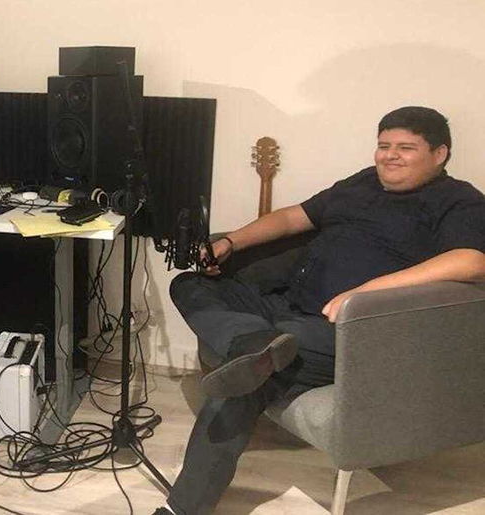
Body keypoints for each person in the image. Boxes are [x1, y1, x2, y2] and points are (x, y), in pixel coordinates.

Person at [153, 106, 485, 515]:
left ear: (440, 154)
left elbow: (472, 261)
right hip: (288, 306)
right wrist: (232, 242)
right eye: (383, 146)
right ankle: (249, 341)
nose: (389, 156)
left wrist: (364, 293)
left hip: (348, 330)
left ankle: (182, 508)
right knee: (190, 283)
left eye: (405, 148)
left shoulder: (459, 201)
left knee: (245, 380)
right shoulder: (361, 184)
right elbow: (294, 217)